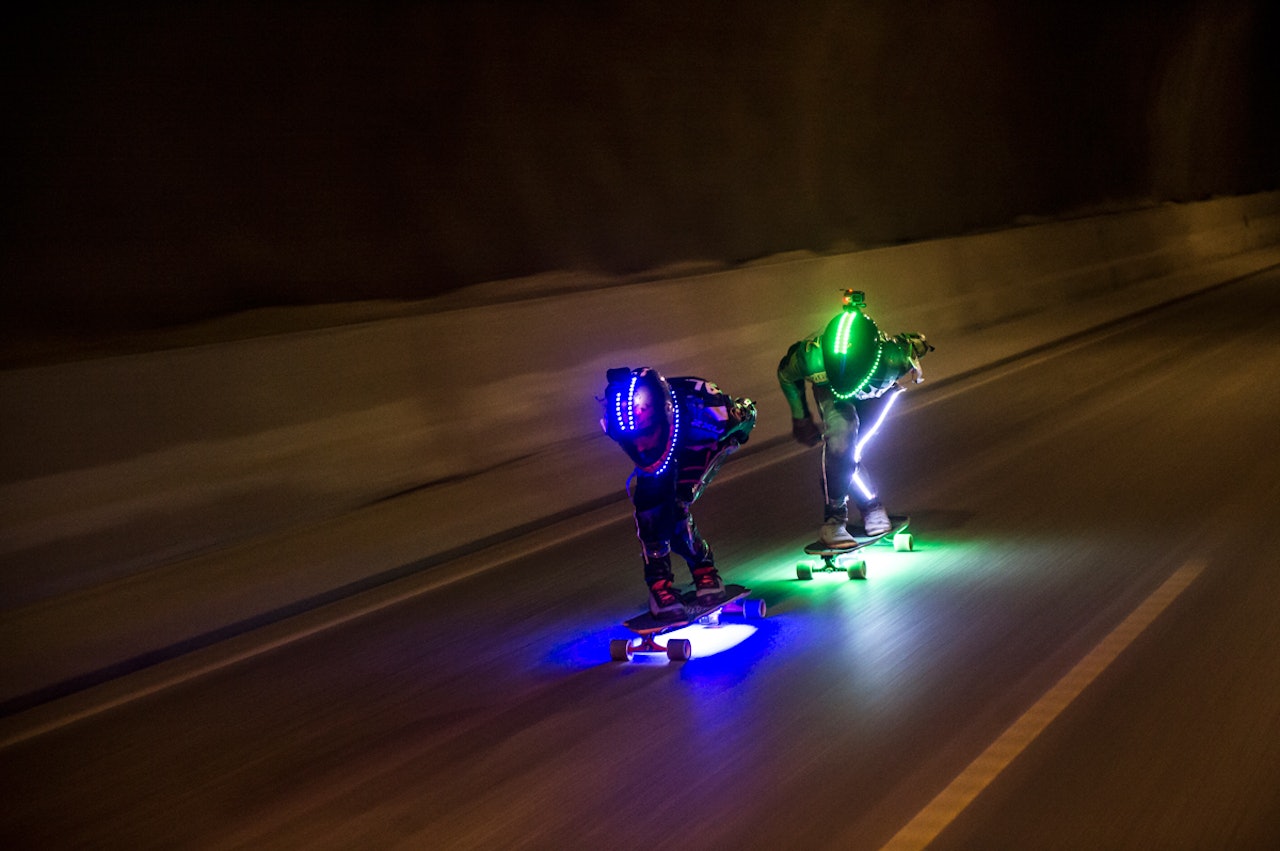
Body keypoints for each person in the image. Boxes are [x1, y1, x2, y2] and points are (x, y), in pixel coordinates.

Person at [777, 290, 933, 548]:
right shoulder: (811, 356)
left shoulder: (894, 355)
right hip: (831, 391)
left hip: (877, 395)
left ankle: (869, 505)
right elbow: (785, 375)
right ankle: (836, 518)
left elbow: (918, 342)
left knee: (852, 451)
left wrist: (920, 348)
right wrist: (800, 416)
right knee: (842, 444)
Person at [599, 366, 757, 619]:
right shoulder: (616, 419)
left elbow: (745, 416)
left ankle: (703, 570)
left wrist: (740, 431)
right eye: (634, 443)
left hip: (699, 445)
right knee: (652, 509)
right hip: (668, 451)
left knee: (676, 505)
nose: (642, 448)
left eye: (650, 437)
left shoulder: (712, 413)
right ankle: (666, 584)